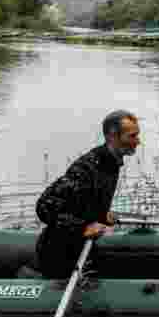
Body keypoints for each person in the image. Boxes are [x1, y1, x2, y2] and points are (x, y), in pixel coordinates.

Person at [34, 110, 141, 278]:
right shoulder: (86, 168)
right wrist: (83, 227)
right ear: (112, 136)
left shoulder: (112, 163)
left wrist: (102, 215)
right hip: (58, 254)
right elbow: (44, 207)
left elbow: (80, 204)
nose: (138, 141)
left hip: (82, 248)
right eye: (132, 136)